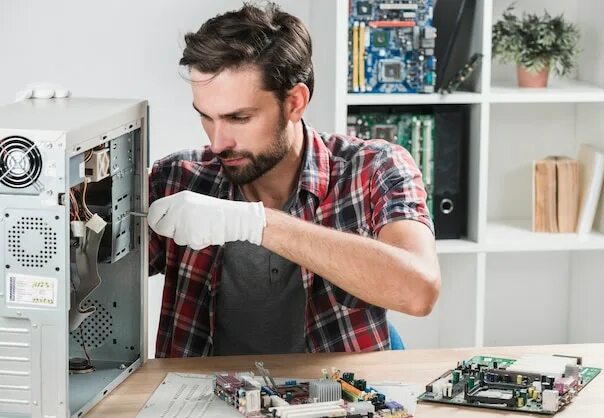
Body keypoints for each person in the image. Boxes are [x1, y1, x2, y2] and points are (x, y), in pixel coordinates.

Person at [147, 2, 441, 358]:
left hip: (334, 400)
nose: (217, 141)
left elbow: (419, 291)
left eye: (239, 118)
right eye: (206, 117)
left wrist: (256, 223)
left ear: (295, 102)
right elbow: (77, 268)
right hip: (202, 401)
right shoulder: (177, 179)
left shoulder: (374, 168)